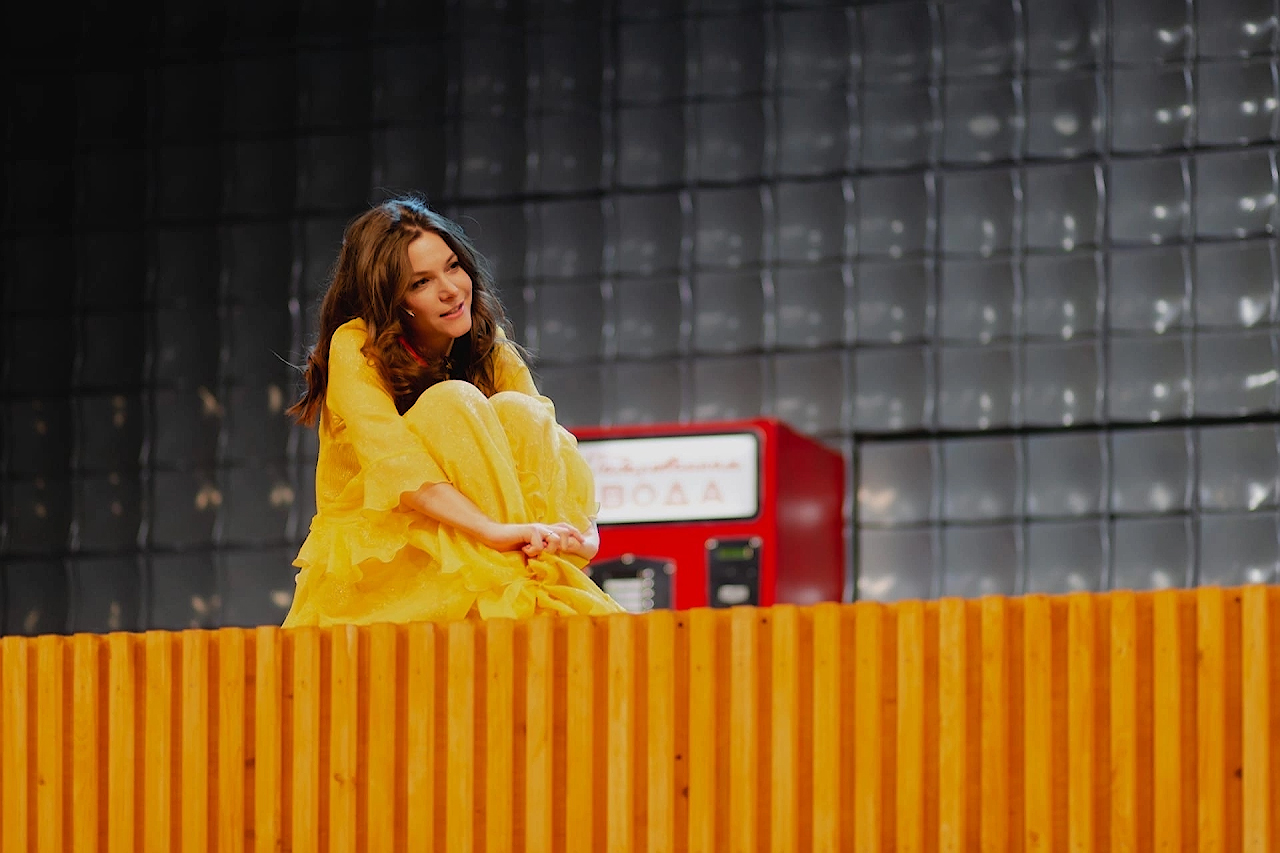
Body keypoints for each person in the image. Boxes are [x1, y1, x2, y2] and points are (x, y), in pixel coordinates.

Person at [281, 196, 623, 627]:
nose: (450, 289)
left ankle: (526, 586)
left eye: (453, 266)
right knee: (452, 403)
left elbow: (548, 442)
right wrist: (496, 533)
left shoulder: (486, 343)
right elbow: (396, 464)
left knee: (518, 411)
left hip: (486, 544)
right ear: (391, 299)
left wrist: (581, 536)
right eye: (421, 282)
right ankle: (518, 590)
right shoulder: (356, 345)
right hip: (384, 560)